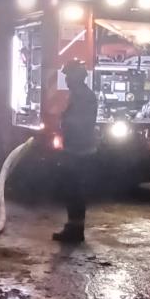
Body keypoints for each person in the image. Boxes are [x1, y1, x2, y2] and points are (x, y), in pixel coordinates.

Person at [54, 58, 97, 243]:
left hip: (78, 151)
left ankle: (75, 231)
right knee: (72, 191)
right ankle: (73, 228)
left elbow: (79, 123)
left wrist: (64, 121)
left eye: (68, 76)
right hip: (78, 149)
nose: (66, 79)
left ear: (76, 77)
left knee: (74, 191)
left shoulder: (82, 96)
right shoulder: (81, 95)